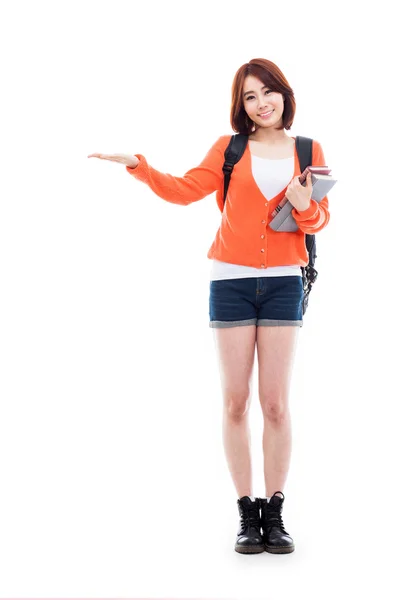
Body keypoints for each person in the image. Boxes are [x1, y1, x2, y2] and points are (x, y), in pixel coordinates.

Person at [88, 57, 330, 555]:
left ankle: (275, 512)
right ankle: (246, 513)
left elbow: (319, 221)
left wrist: (305, 203)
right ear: (240, 106)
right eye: (249, 97)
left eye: (268, 92)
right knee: (236, 402)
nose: (261, 103)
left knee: (276, 404)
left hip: (285, 282)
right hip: (232, 282)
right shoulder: (229, 149)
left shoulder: (308, 149)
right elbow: (184, 190)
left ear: (284, 94)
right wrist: (139, 167)